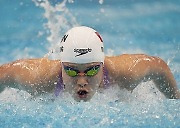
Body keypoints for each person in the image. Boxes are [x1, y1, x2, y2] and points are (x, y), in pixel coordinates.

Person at [0, 26, 179, 101]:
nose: (82, 80)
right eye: (71, 71)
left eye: (92, 70)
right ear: (62, 66)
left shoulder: (125, 73)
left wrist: (175, 97)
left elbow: (159, 66)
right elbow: (4, 73)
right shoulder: (39, 78)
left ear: (101, 64)